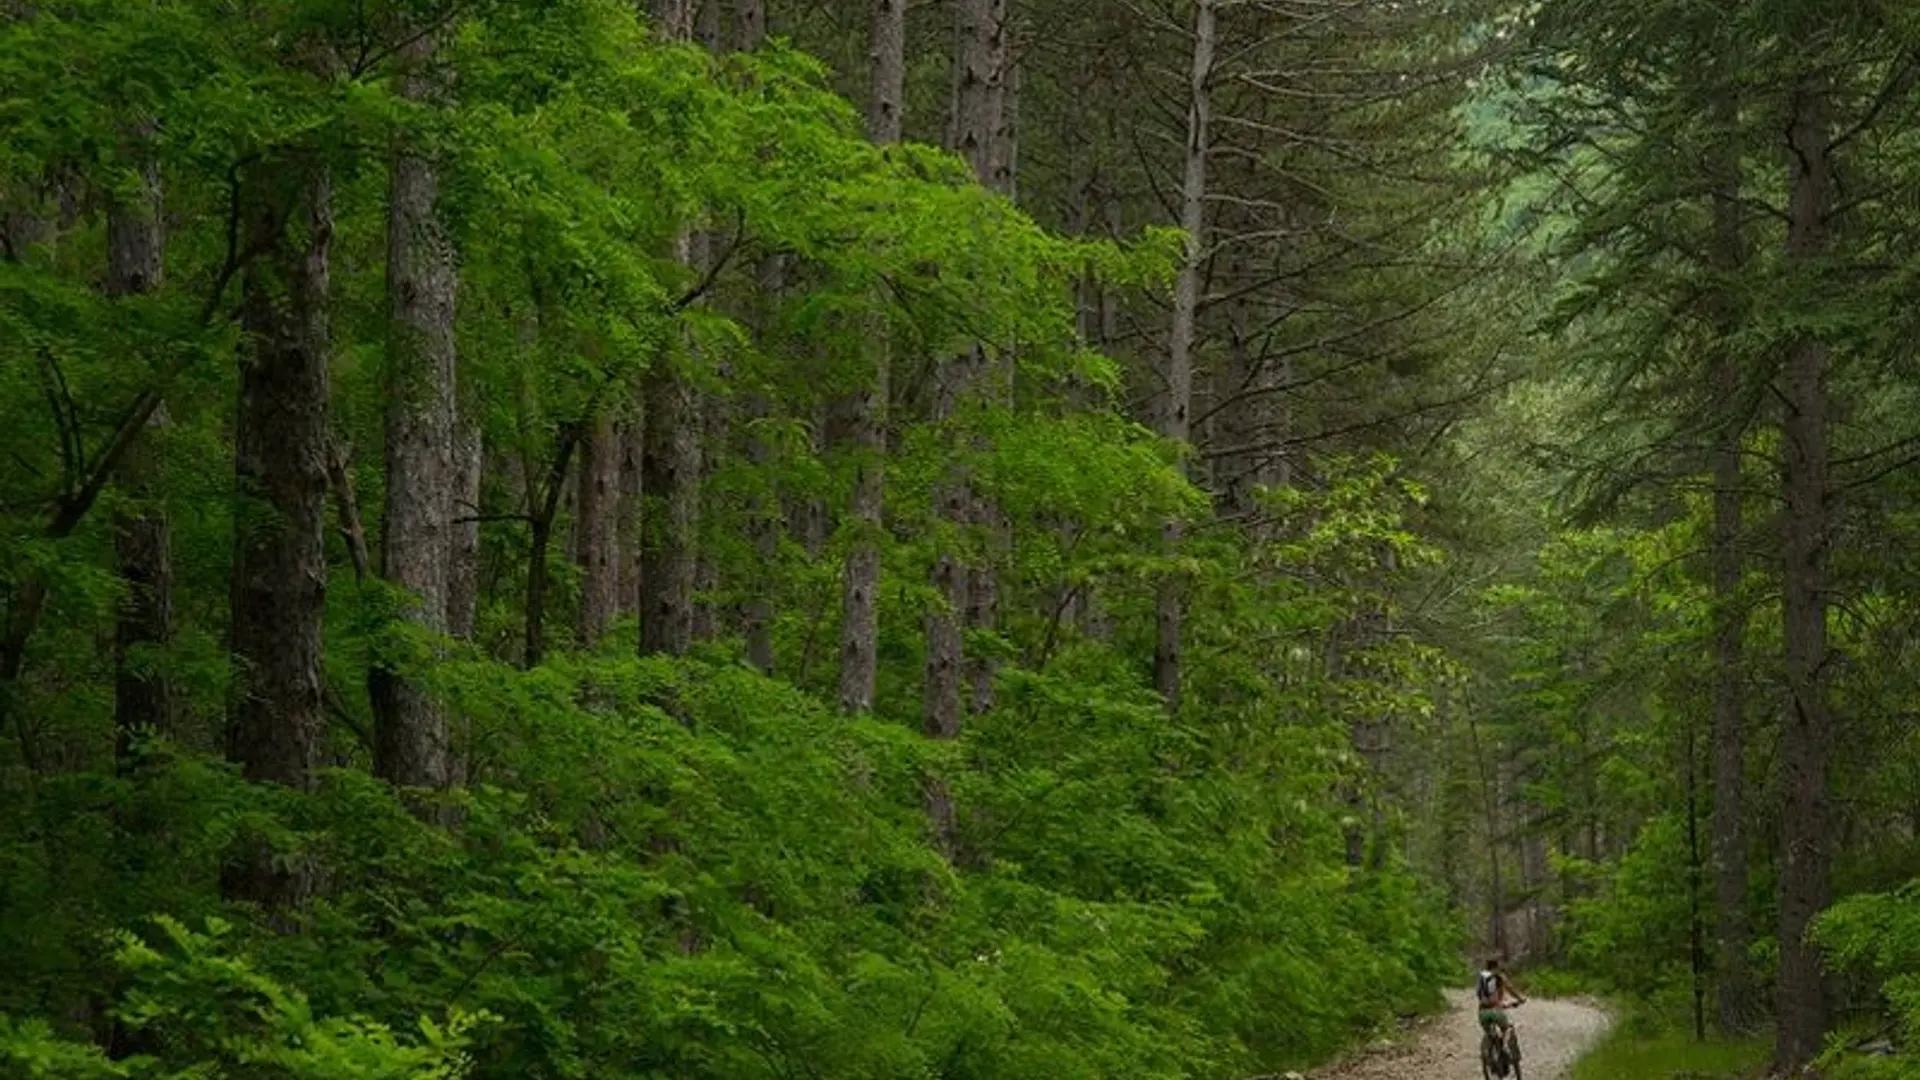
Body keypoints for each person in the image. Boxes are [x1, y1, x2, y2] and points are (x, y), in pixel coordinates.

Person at [1476, 957, 1526, 1040]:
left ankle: (1489, 1043)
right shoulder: (1499, 977)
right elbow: (1511, 989)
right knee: (1506, 1029)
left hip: (1482, 1013)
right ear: (1496, 967)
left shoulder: (1482, 978)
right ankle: (1504, 1047)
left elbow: (1479, 994)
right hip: (1496, 1011)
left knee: (1488, 1033)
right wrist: (1520, 999)